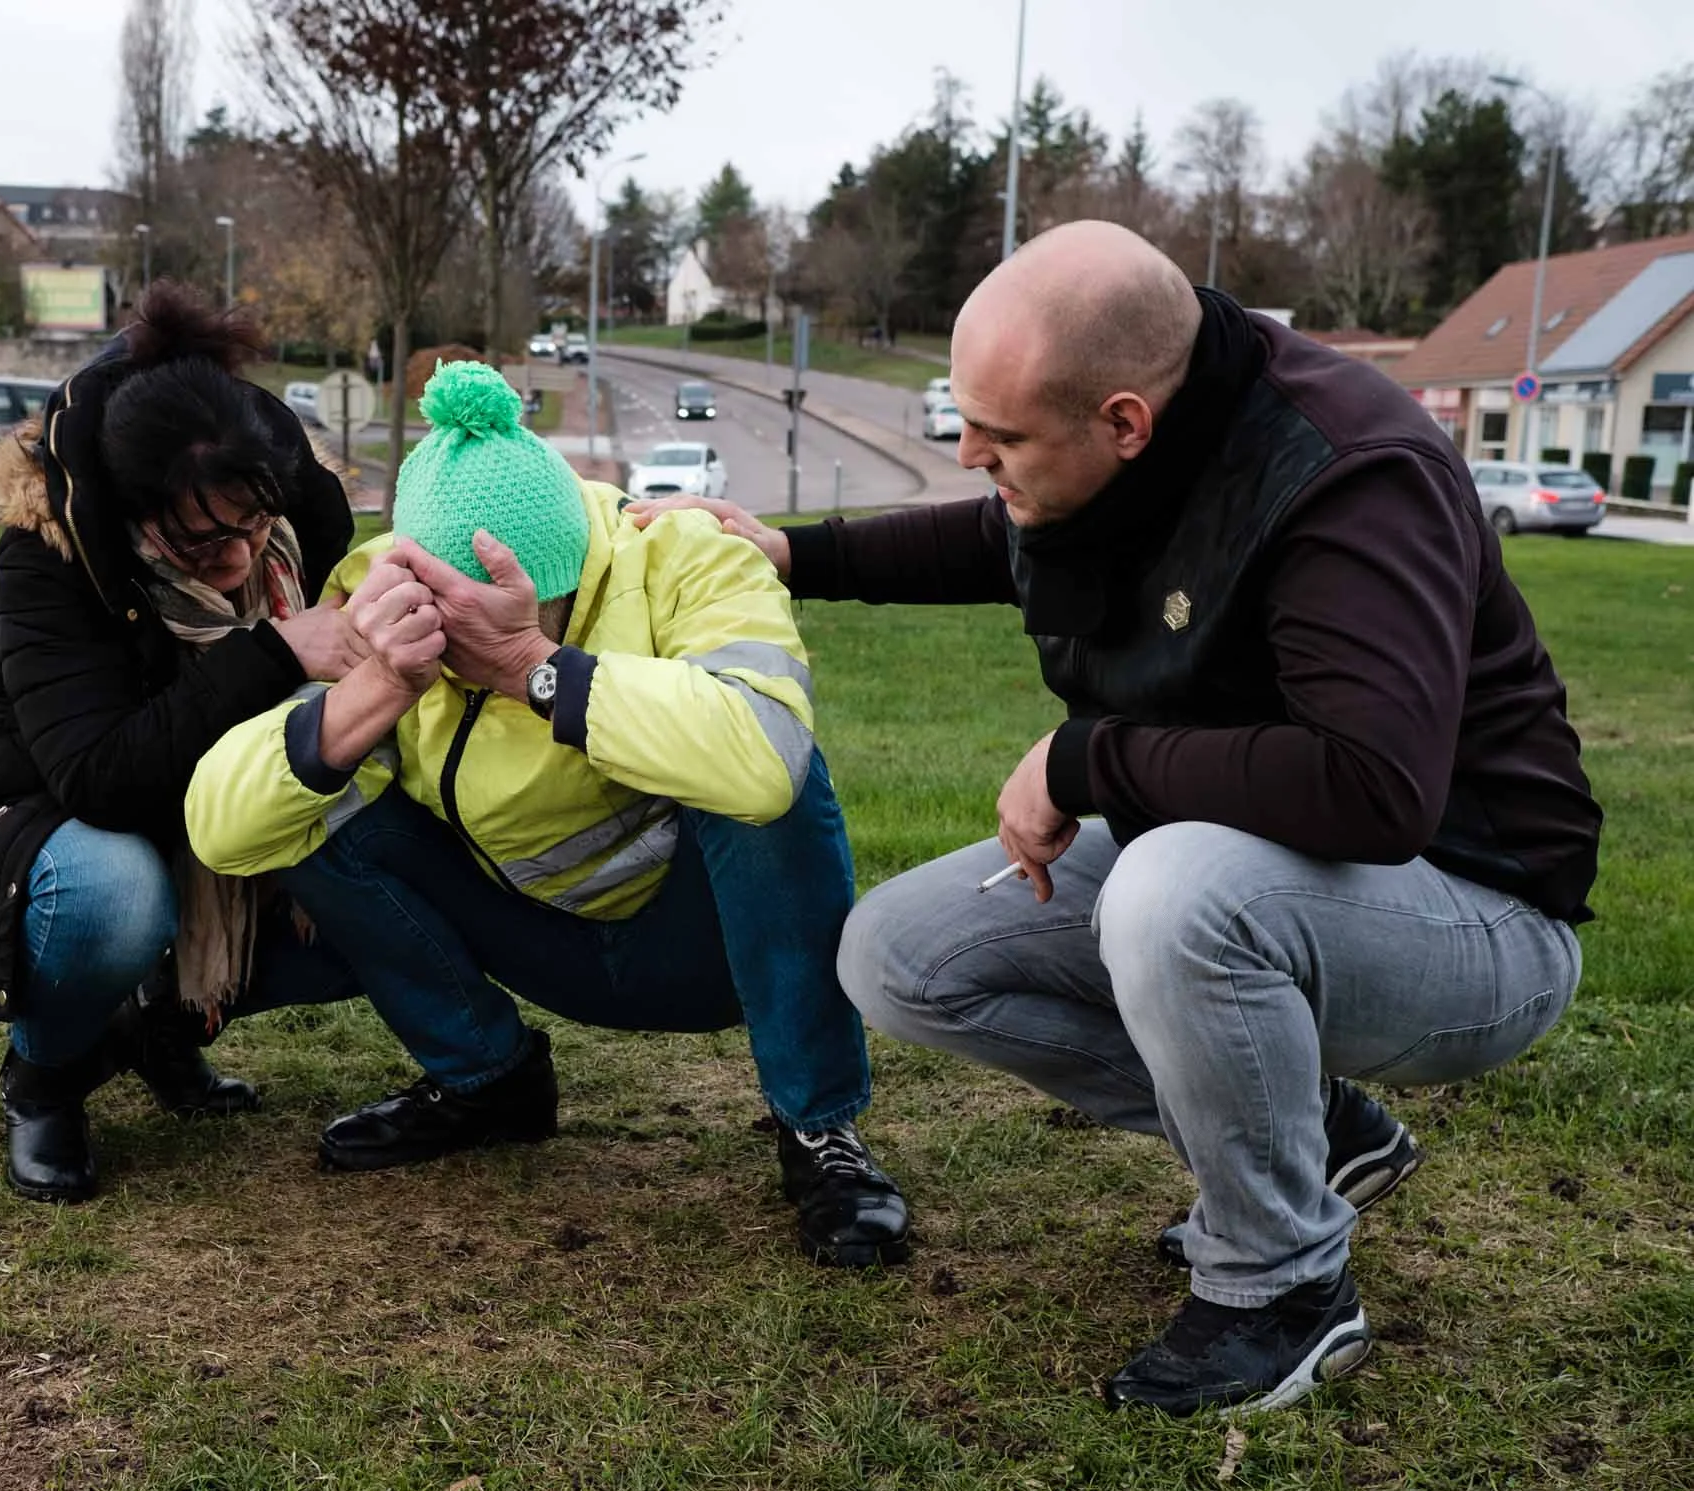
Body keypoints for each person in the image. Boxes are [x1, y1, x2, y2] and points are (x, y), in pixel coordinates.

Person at [635, 220, 1600, 1415]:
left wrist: (1088, 758)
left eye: (999, 434)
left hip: (1475, 909)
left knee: (1170, 893)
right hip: (1258, 865)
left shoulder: (1347, 475)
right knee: (898, 956)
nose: (968, 450)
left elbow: (1374, 785)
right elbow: (1003, 528)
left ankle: (1282, 1286)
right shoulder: (1126, 442)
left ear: (1125, 420)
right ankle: (1314, 1138)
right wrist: (795, 552)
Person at [184, 362, 909, 1269]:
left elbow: (764, 762)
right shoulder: (380, 594)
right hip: (537, 937)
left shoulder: (686, 555)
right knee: (312, 786)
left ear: (561, 578)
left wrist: (532, 664)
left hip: (710, 942)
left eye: (496, 610)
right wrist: (373, 688)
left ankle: (818, 1128)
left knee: (772, 770)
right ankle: (486, 1080)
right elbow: (220, 824)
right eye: (445, 613)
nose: (461, 639)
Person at [0, 282, 368, 1204]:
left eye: (250, 523)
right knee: (116, 899)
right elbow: (98, 776)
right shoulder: (50, 558)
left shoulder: (289, 511)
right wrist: (273, 650)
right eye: (199, 544)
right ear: (128, 508)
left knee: (386, 876)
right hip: (42, 824)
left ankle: (164, 1027)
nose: (237, 558)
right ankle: (44, 1079)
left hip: (213, 805)